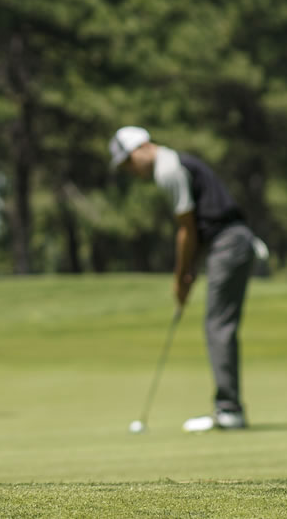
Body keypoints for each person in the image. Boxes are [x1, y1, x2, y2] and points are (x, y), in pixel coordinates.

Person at [109, 126, 262, 432]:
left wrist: (181, 277)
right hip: (229, 242)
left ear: (142, 147)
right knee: (218, 323)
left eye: (128, 162)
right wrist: (189, 271)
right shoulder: (175, 163)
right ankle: (228, 407)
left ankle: (229, 410)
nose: (130, 170)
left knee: (218, 325)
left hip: (228, 244)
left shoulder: (168, 170)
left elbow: (186, 230)